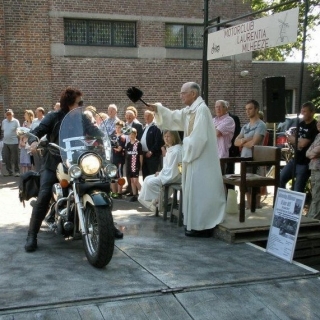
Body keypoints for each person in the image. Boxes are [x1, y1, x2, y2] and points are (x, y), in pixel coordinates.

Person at [24, 87, 123, 253]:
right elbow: (37, 131)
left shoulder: (82, 118)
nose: (82, 106)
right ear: (69, 103)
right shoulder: (54, 117)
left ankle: (106, 224)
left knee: (101, 184)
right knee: (44, 195)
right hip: (55, 161)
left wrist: (108, 140)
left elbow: (95, 131)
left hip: (78, 160)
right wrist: (33, 140)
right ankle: (32, 235)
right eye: (80, 103)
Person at [147, 82, 226, 237]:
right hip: (193, 158)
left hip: (201, 160)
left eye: (183, 93)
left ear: (193, 94)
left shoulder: (201, 110)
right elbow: (174, 117)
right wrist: (157, 109)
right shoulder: (191, 110)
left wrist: (183, 147)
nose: (180, 95)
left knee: (201, 191)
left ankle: (203, 226)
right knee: (193, 191)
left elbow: (199, 137)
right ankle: (194, 224)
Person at [234, 99, 267, 209]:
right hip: (244, 158)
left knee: (253, 186)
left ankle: (254, 207)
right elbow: (235, 142)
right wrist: (245, 140)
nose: (247, 111)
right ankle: (249, 208)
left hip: (255, 159)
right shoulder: (245, 126)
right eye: (246, 109)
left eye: (250, 109)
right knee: (244, 185)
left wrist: (242, 141)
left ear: (256, 109)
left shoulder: (260, 125)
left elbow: (254, 143)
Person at [138, 130, 182, 212]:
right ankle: (156, 202)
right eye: (165, 136)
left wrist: (162, 174)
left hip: (174, 176)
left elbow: (177, 167)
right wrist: (161, 172)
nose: (166, 138)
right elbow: (168, 166)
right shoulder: (170, 149)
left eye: (168, 136)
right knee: (147, 178)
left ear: (174, 137)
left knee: (151, 182)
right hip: (168, 173)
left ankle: (159, 202)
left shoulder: (177, 151)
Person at [279, 101, 318, 192]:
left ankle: (296, 206)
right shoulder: (300, 124)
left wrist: (296, 141)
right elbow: (291, 139)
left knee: (298, 189)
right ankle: (283, 200)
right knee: (281, 178)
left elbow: (303, 144)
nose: (302, 114)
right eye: (301, 111)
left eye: (305, 111)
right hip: (295, 159)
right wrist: (298, 142)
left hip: (305, 163)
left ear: (312, 112)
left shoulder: (314, 126)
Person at [140, 110, 163, 179]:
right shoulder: (145, 127)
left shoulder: (156, 127)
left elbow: (158, 141)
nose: (146, 117)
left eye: (149, 116)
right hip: (144, 155)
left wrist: (151, 151)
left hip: (152, 156)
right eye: (145, 116)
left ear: (153, 116)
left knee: (152, 174)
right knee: (145, 174)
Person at [306, 117, 320, 219]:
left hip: (319, 168)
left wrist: (312, 153)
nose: (318, 124)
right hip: (314, 167)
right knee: (314, 194)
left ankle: (314, 219)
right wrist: (312, 153)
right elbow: (308, 152)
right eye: (318, 121)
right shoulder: (318, 136)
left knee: (317, 195)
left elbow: (316, 151)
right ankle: (311, 216)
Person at [125, 128, 143, 202]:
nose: (131, 136)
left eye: (133, 134)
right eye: (130, 134)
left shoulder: (138, 144)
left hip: (135, 164)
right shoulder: (128, 144)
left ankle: (143, 194)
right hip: (129, 164)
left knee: (136, 181)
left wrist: (141, 165)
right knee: (132, 180)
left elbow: (141, 155)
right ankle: (135, 195)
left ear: (136, 134)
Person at [1, 108, 20, 177]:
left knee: (15, 158)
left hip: (14, 142)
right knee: (6, 158)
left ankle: (17, 171)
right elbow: (3, 130)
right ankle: (10, 171)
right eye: (7, 115)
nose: (8, 116)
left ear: (12, 115)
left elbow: (18, 131)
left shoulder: (16, 121)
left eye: (10, 114)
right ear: (5, 115)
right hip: (5, 142)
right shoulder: (4, 121)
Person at [110, 120, 126, 198]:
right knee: (112, 175)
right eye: (116, 127)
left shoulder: (122, 137)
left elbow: (119, 149)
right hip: (112, 158)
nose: (117, 129)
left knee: (119, 175)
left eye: (119, 127)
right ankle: (114, 192)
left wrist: (113, 147)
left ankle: (119, 192)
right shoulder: (112, 136)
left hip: (119, 159)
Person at [30, 107, 46, 172]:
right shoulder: (34, 121)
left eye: (37, 112)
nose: (35, 113)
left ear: (41, 112)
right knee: (36, 159)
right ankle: (38, 172)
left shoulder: (45, 120)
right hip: (35, 143)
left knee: (43, 158)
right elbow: (32, 131)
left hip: (44, 142)